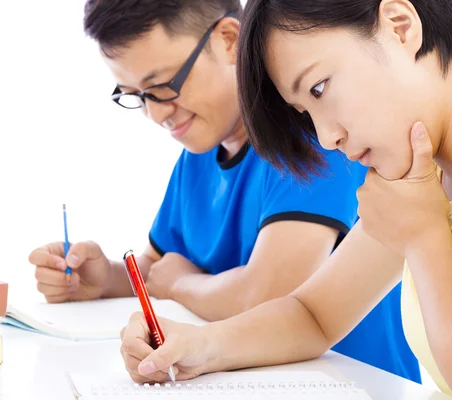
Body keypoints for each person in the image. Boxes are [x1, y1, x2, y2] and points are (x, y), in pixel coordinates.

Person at [119, 0, 452, 398]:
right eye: (305, 112)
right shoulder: (415, 176)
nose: (326, 138)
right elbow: (314, 315)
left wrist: (425, 236)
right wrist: (196, 346)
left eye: (320, 88)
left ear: (399, 25)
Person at [27, 0, 421, 383]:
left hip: (351, 384)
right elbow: (158, 267)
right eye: (138, 96)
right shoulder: (197, 155)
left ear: (230, 40)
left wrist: (182, 286)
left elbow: (268, 294)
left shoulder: (315, 138)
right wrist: (106, 279)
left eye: (163, 86)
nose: (157, 113)